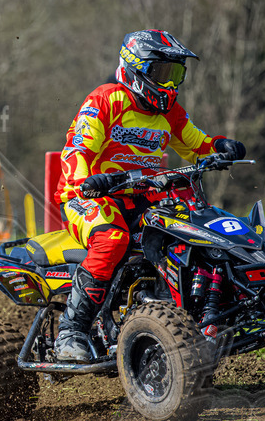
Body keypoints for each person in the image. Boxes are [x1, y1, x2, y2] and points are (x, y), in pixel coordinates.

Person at [53, 30, 246, 362]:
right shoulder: (106, 99)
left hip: (143, 196)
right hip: (91, 195)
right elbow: (77, 149)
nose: (170, 85)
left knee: (194, 229)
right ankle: (71, 331)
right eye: (162, 73)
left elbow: (195, 143)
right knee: (112, 240)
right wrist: (88, 181)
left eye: (176, 75)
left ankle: (196, 314)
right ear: (134, 68)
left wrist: (220, 147)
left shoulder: (168, 111)